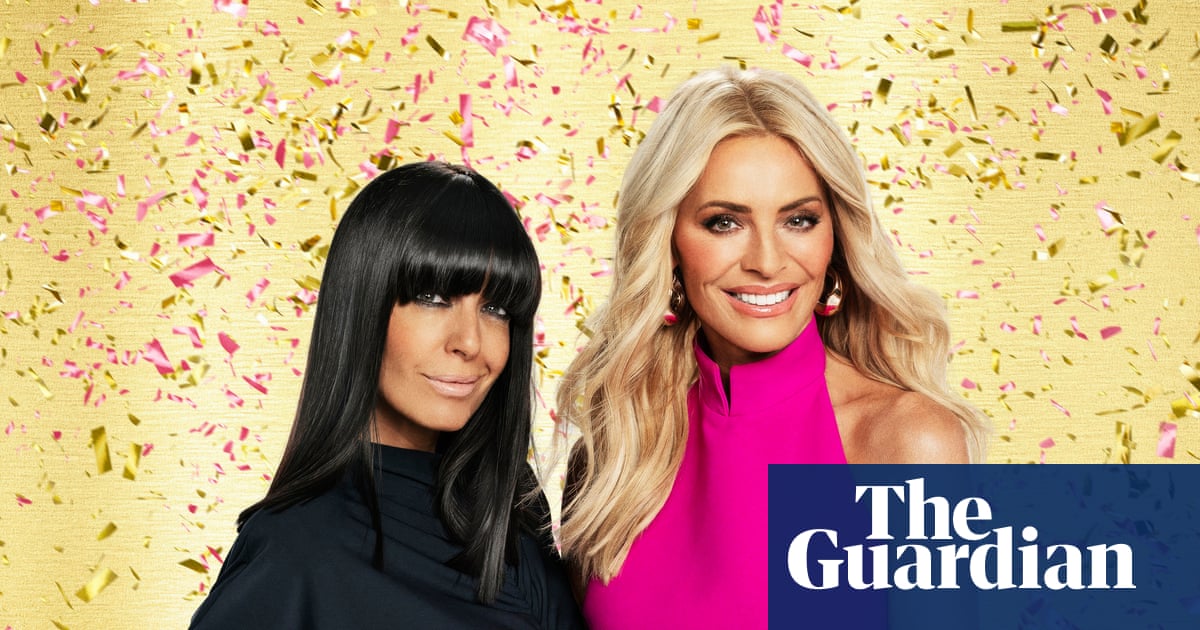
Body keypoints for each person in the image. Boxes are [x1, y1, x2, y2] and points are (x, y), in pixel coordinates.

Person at [557, 66, 990, 628]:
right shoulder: (618, 449)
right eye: (724, 223)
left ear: (836, 237)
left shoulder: (908, 442)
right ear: (668, 241)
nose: (766, 261)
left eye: (799, 220)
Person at [191, 161, 583, 629]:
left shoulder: (512, 507)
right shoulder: (295, 548)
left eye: (496, 308)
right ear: (363, 305)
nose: (470, 342)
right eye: (433, 298)